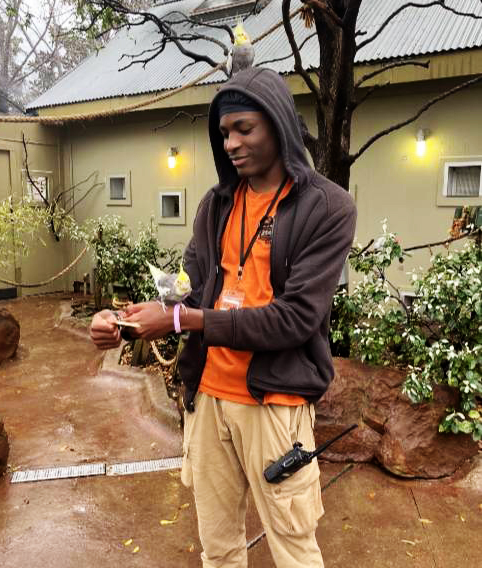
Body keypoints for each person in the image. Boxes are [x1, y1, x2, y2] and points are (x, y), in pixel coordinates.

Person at [90, 67, 357, 568]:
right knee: (219, 548)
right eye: (224, 133)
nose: (231, 143)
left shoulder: (329, 207)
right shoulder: (217, 204)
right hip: (208, 398)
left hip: (274, 405)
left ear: (277, 125)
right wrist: (124, 319)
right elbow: (185, 285)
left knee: (295, 547)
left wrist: (184, 322)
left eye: (244, 129)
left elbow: (295, 319)